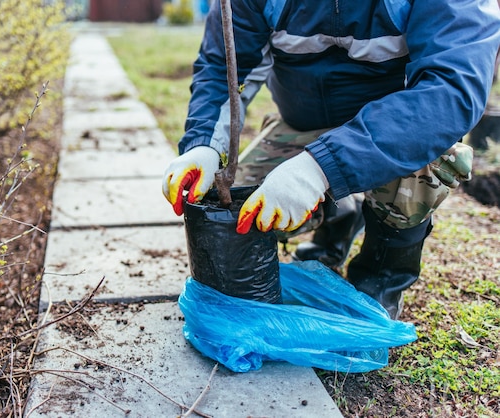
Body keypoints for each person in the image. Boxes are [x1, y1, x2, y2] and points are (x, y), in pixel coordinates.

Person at [162, 0, 500, 319]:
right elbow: (226, 66)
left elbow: (451, 89)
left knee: (425, 162)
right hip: (300, 126)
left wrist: (318, 169)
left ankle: (380, 276)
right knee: (233, 207)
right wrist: (204, 145)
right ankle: (341, 215)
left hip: (397, 131)